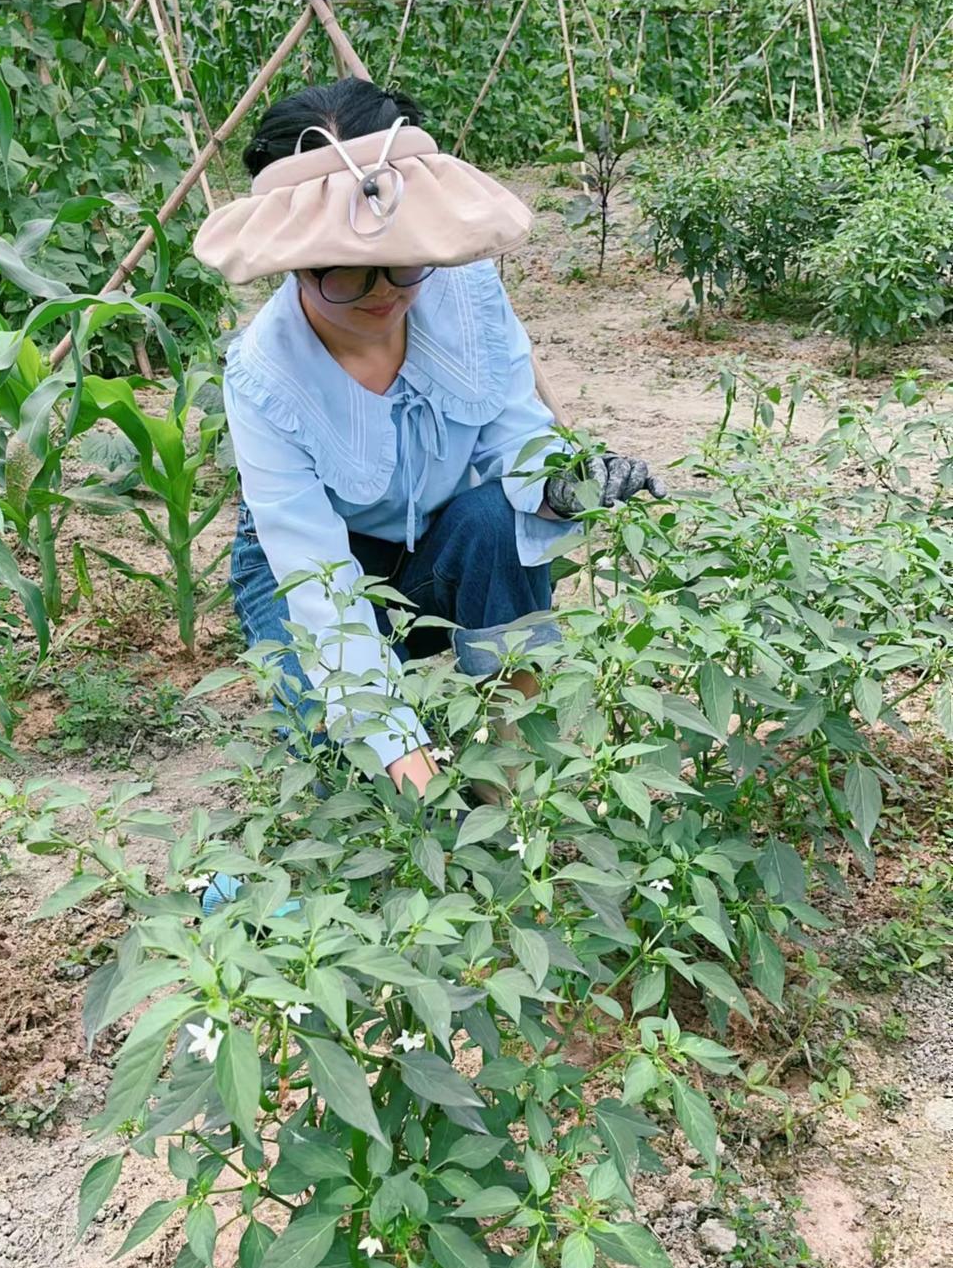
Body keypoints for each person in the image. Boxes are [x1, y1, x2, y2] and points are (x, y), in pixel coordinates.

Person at [194, 79, 664, 800]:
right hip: (316, 564)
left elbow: (516, 436)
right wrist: (397, 749)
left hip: (440, 542)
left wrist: (566, 484)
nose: (384, 290)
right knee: (342, 774)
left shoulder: (465, 292)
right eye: (346, 272)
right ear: (293, 261)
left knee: (494, 522)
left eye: (403, 259)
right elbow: (317, 575)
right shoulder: (264, 375)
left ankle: (509, 783)